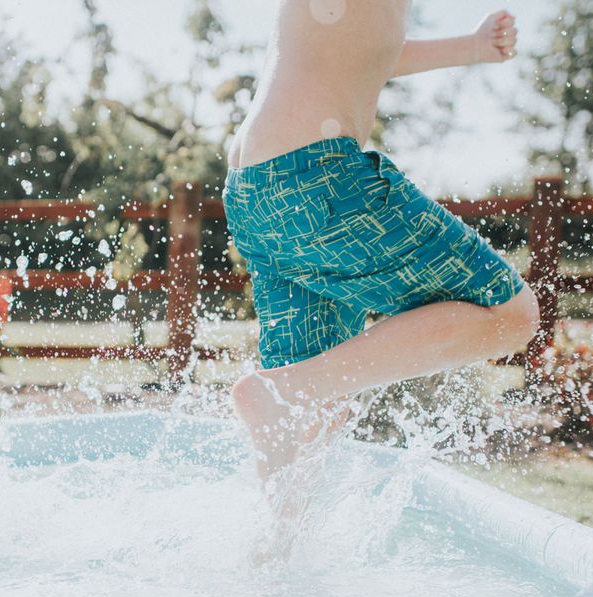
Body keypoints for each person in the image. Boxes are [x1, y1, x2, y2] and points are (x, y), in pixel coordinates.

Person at [222, 0, 540, 489]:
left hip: (259, 193)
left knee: (315, 415)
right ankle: (280, 391)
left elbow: (360, 49)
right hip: (318, 181)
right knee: (511, 313)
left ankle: (281, 534)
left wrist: (471, 47)